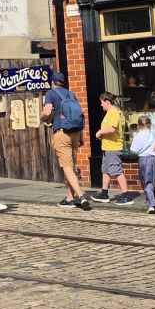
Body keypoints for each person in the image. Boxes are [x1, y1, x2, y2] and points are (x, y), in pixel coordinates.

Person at [39, 72, 91, 210]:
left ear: (53, 82)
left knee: (67, 168)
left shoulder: (51, 93)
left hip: (62, 133)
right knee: (72, 167)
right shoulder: (71, 94)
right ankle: (69, 198)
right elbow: (79, 116)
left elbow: (47, 112)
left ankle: (81, 197)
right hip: (76, 132)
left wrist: (41, 117)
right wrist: (81, 136)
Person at [92, 93, 132, 205]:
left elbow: (112, 129)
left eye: (102, 102)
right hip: (107, 147)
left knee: (116, 171)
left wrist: (100, 132)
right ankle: (104, 194)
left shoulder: (113, 112)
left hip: (113, 148)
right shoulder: (109, 113)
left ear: (107, 102)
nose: (101, 105)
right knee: (106, 171)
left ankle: (126, 196)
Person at [130, 115, 155, 213]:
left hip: (144, 159)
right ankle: (153, 202)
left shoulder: (137, 136)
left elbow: (133, 150)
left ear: (139, 125)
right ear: (150, 124)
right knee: (154, 182)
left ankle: (151, 205)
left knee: (146, 182)